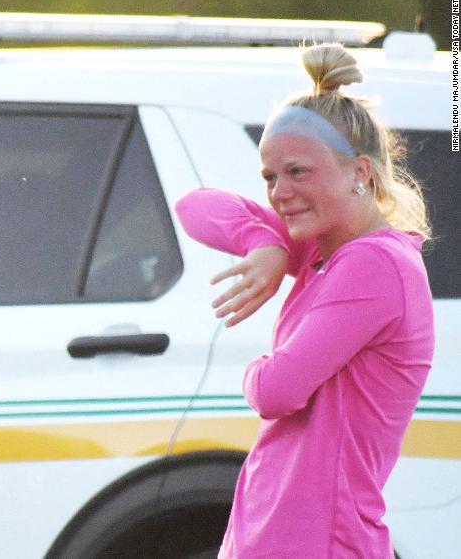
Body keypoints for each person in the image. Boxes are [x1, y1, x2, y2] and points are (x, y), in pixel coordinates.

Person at [174, 43, 434, 557]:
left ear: (360, 172)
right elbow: (194, 206)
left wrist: (252, 369)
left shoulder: (376, 264)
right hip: (272, 538)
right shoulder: (321, 247)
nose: (279, 192)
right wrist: (265, 244)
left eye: (298, 172)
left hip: (320, 542)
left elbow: (277, 391)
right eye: (270, 177)